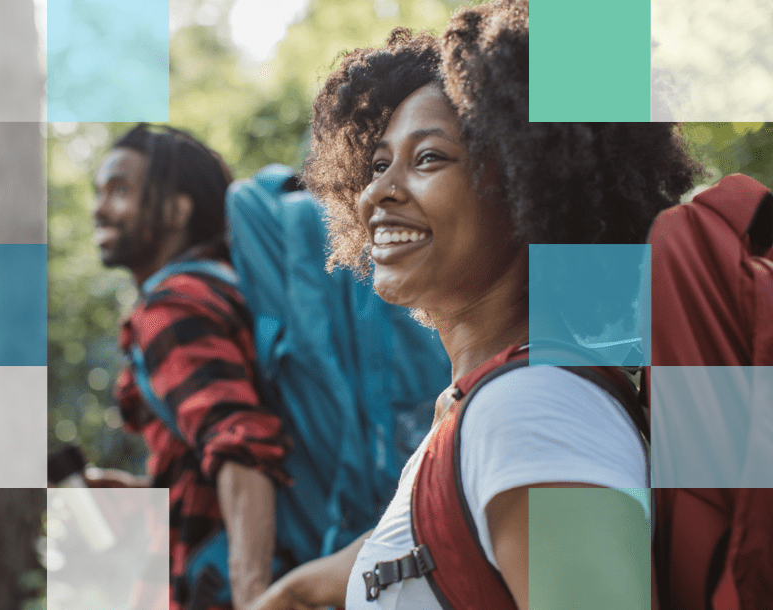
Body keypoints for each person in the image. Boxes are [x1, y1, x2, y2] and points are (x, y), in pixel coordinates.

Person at [250, 1, 703, 608]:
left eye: (428, 158)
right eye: (379, 163)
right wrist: (295, 590)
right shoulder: (479, 408)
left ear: (526, 189)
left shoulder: (532, 409)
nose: (378, 192)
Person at [86, 123, 293, 610]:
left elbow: (242, 445)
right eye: (99, 191)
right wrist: (147, 492)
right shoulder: (225, 287)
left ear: (179, 209)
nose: (99, 208)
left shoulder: (171, 308)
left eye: (120, 190)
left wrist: (252, 599)